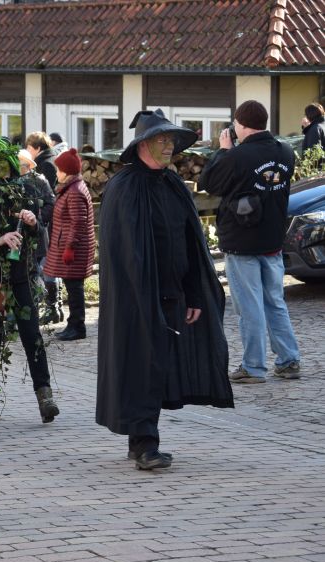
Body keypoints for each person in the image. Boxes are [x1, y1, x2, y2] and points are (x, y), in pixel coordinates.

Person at [97, 109, 233, 470]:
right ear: (143, 145)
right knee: (141, 364)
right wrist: (141, 295)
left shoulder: (173, 184)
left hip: (173, 292)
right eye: (161, 139)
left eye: (171, 139)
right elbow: (122, 250)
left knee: (156, 366)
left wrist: (194, 293)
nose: (169, 145)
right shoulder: (124, 187)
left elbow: (190, 242)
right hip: (135, 298)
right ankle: (146, 445)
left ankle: (140, 439)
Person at [198, 100, 301, 383]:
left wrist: (223, 151)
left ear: (241, 125)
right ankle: (289, 360)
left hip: (241, 241)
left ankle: (253, 367)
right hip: (273, 239)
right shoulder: (285, 151)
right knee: (275, 302)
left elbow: (208, 182)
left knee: (249, 306)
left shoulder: (237, 156)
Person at [0, 136, 58, 423]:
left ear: (10, 162)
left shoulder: (26, 188)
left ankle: (45, 397)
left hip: (21, 276)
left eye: (2, 161)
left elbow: (40, 232)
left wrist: (33, 222)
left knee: (32, 337)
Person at [43, 148, 95, 341]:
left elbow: (78, 223)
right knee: (72, 286)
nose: (56, 172)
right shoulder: (71, 188)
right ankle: (73, 324)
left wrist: (70, 248)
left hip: (74, 249)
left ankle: (77, 326)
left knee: (74, 288)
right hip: (68, 244)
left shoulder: (74, 191)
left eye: (59, 169)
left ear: (67, 171)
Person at [25, 132, 64, 324]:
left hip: (47, 224)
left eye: (29, 148)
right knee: (49, 266)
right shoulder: (50, 159)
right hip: (46, 223)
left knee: (48, 267)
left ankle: (53, 307)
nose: (28, 151)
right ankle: (55, 307)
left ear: (37, 148)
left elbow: (48, 199)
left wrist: (40, 219)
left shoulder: (46, 165)